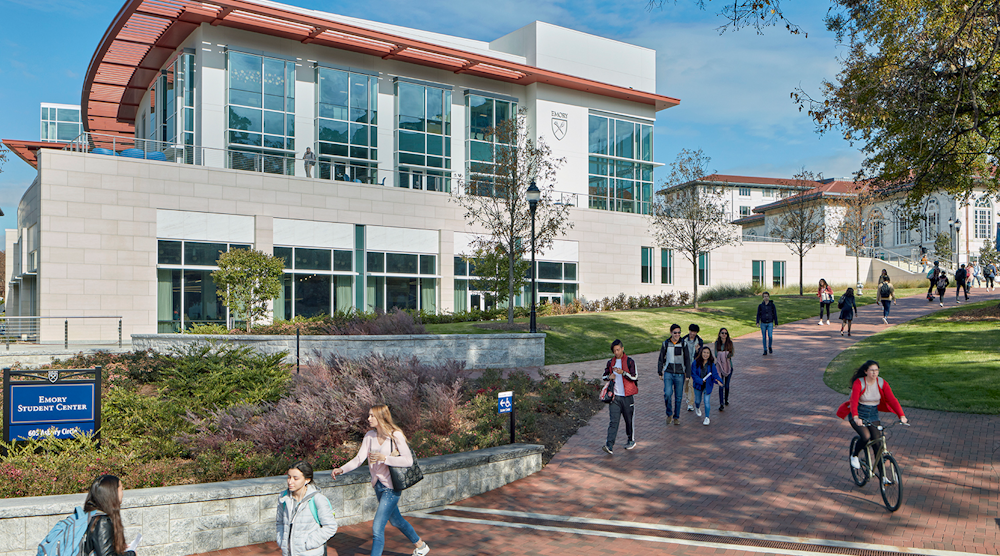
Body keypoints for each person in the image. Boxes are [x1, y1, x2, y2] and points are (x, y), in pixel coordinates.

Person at [332, 405, 430, 556]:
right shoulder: (369, 436)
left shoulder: (395, 435)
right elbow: (359, 459)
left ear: (381, 417)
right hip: (378, 486)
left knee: (377, 528)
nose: (368, 418)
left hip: (391, 488)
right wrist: (342, 469)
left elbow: (408, 460)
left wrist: (386, 459)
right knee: (396, 521)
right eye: (369, 415)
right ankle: (421, 546)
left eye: (372, 416)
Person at [836, 360, 908, 474]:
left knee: (877, 445)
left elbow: (892, 400)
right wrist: (855, 417)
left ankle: (883, 477)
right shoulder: (859, 383)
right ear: (866, 371)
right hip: (858, 414)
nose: (874, 373)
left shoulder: (881, 382)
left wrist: (902, 415)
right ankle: (854, 455)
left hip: (873, 414)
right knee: (866, 436)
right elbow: (854, 401)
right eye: (872, 371)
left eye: (876, 370)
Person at [277, 461, 338, 556]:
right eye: (289, 477)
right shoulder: (283, 497)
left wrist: (308, 543)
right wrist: (281, 541)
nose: (290, 481)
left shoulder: (318, 499)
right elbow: (280, 522)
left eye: (295, 478)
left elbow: (330, 527)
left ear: (307, 480)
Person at [81, 475, 136, 556]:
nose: (122, 493)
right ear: (113, 493)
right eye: (121, 490)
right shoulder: (102, 521)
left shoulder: (90, 514)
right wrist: (131, 554)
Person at [602, 339, 638, 454]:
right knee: (613, 421)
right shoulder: (610, 362)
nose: (617, 352)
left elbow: (635, 377)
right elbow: (604, 376)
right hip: (615, 397)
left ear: (622, 349)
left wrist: (623, 373)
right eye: (614, 351)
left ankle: (631, 440)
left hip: (627, 397)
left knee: (629, 420)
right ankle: (609, 445)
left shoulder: (630, 361)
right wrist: (609, 377)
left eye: (618, 349)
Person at [657, 324, 688, 426]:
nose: (677, 334)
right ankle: (669, 413)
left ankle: (676, 417)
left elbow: (687, 359)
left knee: (678, 397)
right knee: (667, 394)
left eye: (679, 332)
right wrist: (659, 371)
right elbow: (661, 358)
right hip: (668, 373)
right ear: (671, 333)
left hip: (680, 374)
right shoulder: (666, 344)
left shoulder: (684, 344)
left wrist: (688, 374)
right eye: (675, 332)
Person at [691, 346, 724, 426]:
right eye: (704, 352)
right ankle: (697, 408)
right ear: (701, 353)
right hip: (698, 385)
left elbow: (715, 375)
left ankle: (707, 417)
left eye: (707, 353)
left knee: (706, 401)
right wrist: (701, 381)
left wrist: (719, 381)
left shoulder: (711, 365)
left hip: (707, 386)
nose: (705, 354)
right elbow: (694, 375)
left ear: (710, 354)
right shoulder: (695, 363)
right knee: (697, 401)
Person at [681, 324, 704, 412]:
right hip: (685, 366)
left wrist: (698, 351)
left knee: (691, 384)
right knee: (686, 384)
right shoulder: (683, 340)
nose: (692, 333)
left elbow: (700, 356)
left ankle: (690, 404)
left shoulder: (699, 341)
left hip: (694, 367)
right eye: (691, 331)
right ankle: (687, 397)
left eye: (694, 332)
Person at [714, 328, 734, 412]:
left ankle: (726, 399)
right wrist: (723, 354)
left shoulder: (730, 343)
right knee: (721, 385)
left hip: (728, 366)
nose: (724, 334)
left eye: (725, 333)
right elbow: (715, 354)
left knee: (727, 385)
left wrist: (724, 354)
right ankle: (721, 403)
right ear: (719, 334)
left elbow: (731, 353)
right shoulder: (717, 343)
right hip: (719, 366)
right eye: (722, 333)